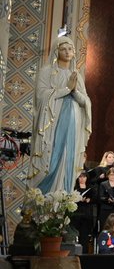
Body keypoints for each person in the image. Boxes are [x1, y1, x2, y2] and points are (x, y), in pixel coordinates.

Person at [31, 36, 92, 194]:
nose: (67, 52)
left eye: (70, 49)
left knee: (67, 156)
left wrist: (74, 90)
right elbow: (41, 96)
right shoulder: (47, 72)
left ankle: (63, 195)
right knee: (52, 156)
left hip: (72, 121)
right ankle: (43, 196)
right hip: (53, 121)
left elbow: (85, 101)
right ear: (56, 51)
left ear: (73, 53)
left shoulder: (75, 75)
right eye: (63, 48)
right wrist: (65, 90)